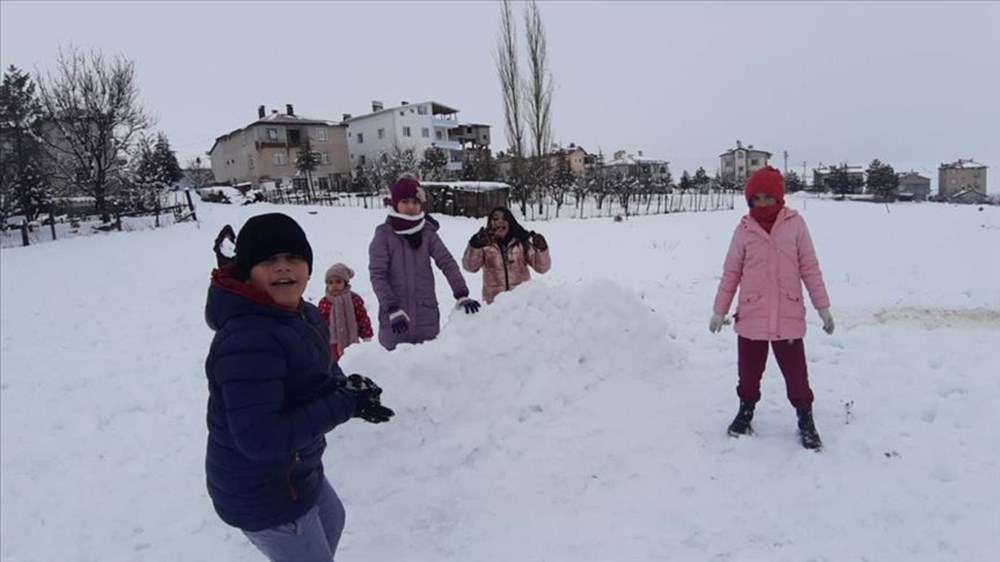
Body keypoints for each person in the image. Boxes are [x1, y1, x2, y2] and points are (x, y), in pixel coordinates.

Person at [204, 213, 395, 561]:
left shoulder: (302, 315)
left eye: (293, 258)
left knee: (333, 519)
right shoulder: (248, 339)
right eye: (269, 260)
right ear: (248, 270)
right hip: (263, 493)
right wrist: (344, 405)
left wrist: (347, 388)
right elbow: (261, 438)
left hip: (297, 471)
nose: (283, 268)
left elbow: (318, 370)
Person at [709, 166, 834, 450]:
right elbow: (731, 272)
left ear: (779, 198)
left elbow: (810, 268)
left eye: (768, 197)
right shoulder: (743, 230)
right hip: (752, 315)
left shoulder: (795, 225)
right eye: (757, 198)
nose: (762, 203)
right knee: (749, 373)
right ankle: (746, 412)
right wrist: (720, 310)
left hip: (788, 315)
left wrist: (822, 307)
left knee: (797, 375)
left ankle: (806, 420)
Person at [369, 175, 480, 351]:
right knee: (393, 371)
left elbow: (447, 262)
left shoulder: (427, 232)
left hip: (426, 316)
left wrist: (461, 293)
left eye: (415, 201)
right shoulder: (384, 235)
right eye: (405, 201)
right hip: (396, 318)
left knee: (427, 368)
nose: (411, 207)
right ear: (395, 203)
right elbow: (377, 275)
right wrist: (391, 307)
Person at [462, 206, 551, 304]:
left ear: (510, 223)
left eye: (504, 219)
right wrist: (474, 246)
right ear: (490, 223)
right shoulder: (484, 245)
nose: (500, 221)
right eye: (495, 219)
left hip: (521, 303)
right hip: (494, 304)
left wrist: (542, 249)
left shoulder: (521, 243)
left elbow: (543, 268)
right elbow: (469, 267)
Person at [318, 262, 374, 361]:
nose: (334, 285)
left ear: (345, 283)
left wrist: (366, 335)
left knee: (351, 361)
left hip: (351, 339)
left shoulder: (354, 299)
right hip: (331, 341)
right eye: (330, 282)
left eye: (338, 281)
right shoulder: (325, 302)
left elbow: (362, 318)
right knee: (333, 363)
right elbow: (319, 321)